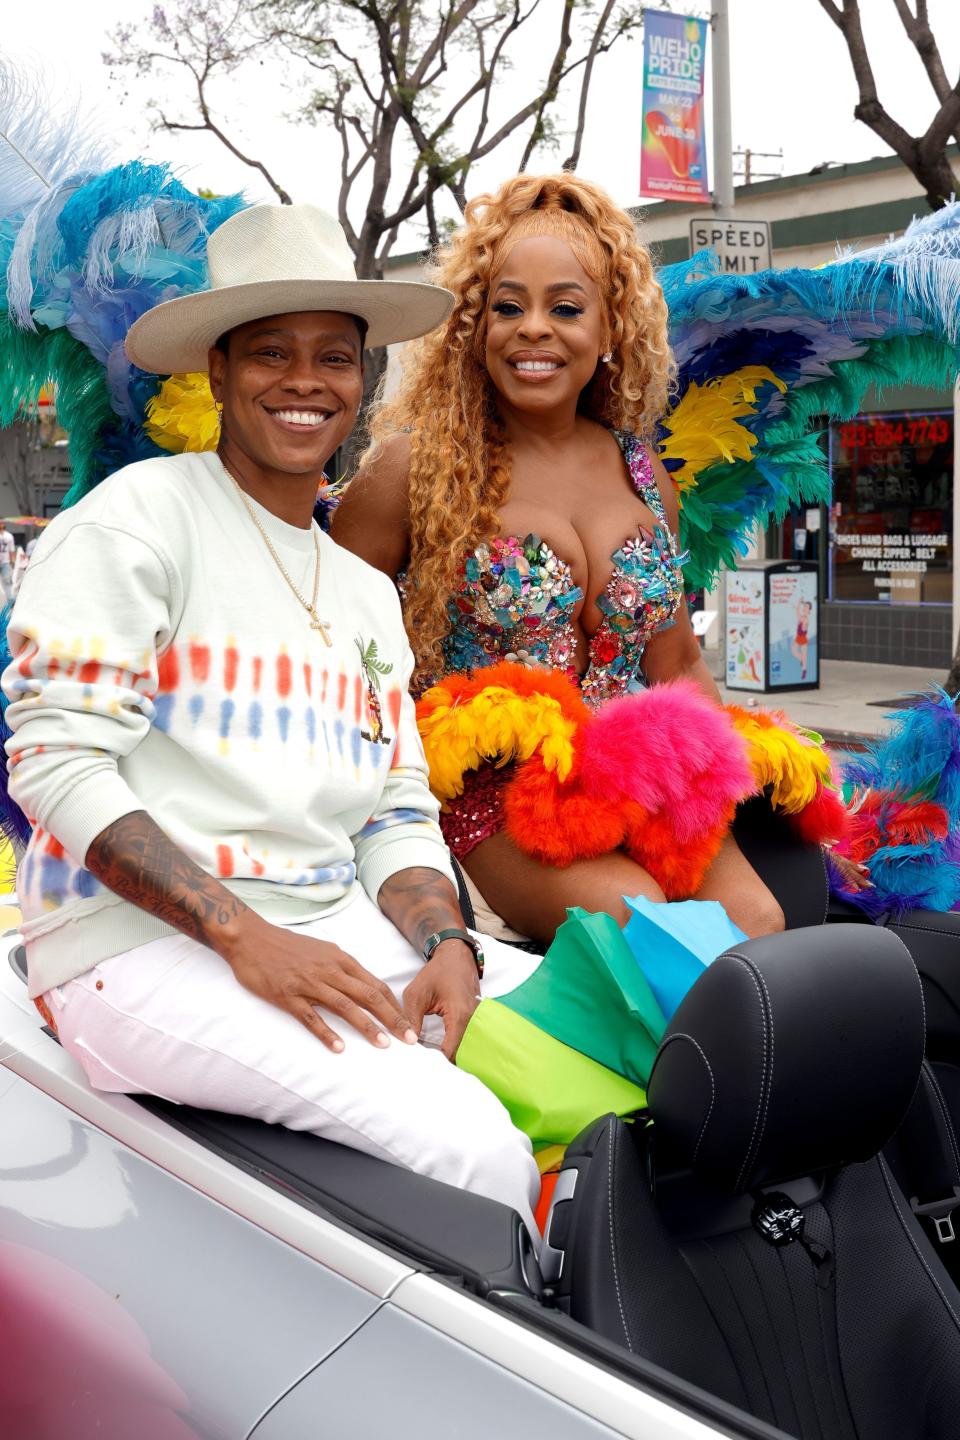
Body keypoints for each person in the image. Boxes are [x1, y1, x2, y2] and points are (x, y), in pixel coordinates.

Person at [2, 203, 543, 1234]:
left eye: (333, 358)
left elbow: (392, 807)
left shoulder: (361, 589)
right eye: (271, 354)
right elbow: (58, 765)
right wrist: (247, 938)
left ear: (361, 380)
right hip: (137, 951)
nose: (305, 382)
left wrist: (449, 945)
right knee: (469, 1154)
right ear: (217, 370)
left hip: (326, 927)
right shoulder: (136, 520)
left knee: (588, 1055)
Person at [333, 174, 867, 941]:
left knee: (760, 925)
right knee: (642, 928)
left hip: (645, 784)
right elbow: (330, 639)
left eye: (566, 308)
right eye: (507, 307)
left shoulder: (646, 476)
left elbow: (677, 662)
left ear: (611, 327)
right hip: (501, 795)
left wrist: (762, 793)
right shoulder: (415, 471)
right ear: (473, 328)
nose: (533, 330)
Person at [0, 520, 15, 591]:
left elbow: (11, 549)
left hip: (6, 562)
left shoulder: (9, 536)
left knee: (7, 581)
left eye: (2, 523)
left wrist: (12, 561)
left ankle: (11, 599)